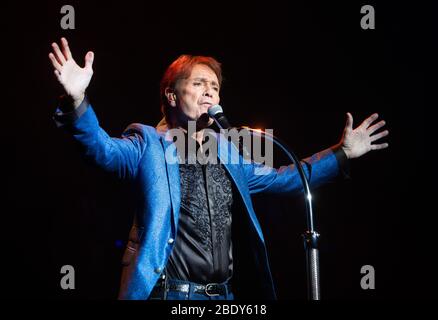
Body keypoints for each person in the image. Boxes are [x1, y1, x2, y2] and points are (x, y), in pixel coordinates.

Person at [48, 37, 389, 300]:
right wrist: (77, 100)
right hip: (169, 294)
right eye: (198, 84)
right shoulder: (147, 143)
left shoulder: (227, 152)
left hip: (224, 297)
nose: (209, 91)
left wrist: (341, 153)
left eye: (214, 86)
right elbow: (101, 150)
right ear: (171, 96)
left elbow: (288, 179)